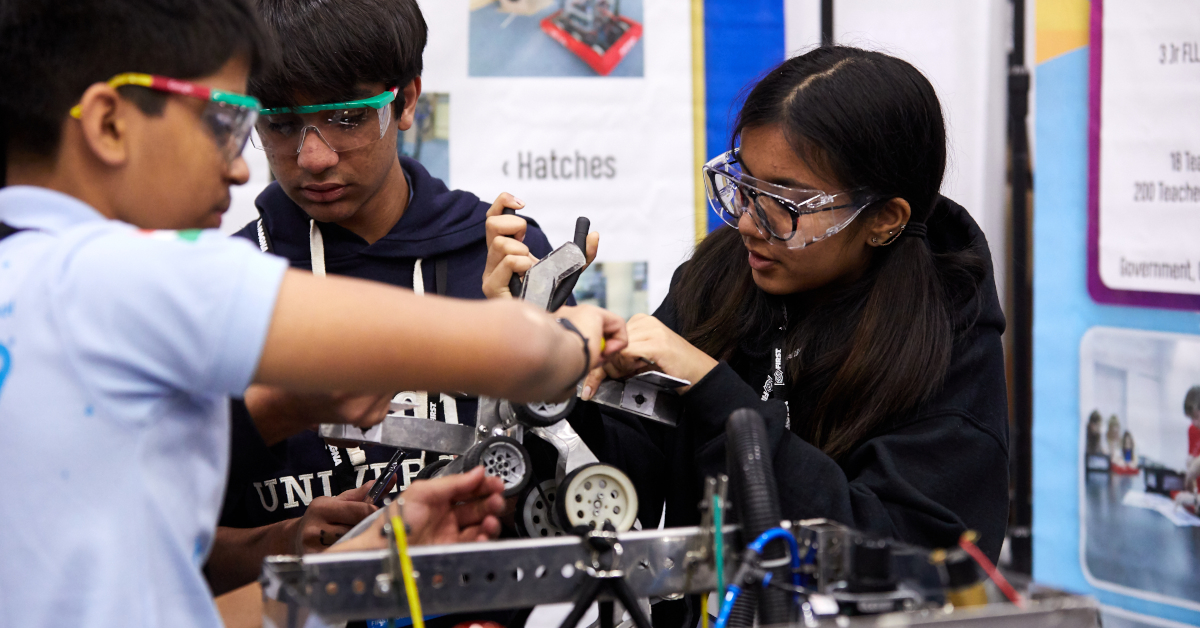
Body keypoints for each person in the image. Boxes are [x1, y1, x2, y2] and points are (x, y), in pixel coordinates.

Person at [0, 1, 625, 626]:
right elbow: (520, 350)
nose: (244, 164)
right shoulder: (144, 276)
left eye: (346, 117)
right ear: (109, 124)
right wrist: (570, 337)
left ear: (405, 102)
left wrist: (365, 559)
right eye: (226, 122)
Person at [487, 47, 1010, 563]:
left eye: (784, 203)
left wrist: (712, 388)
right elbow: (625, 486)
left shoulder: (946, 338)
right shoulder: (721, 277)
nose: (746, 224)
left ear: (885, 219)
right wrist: (547, 380)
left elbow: (898, 554)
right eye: (744, 187)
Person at [208, 0, 591, 595]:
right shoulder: (217, 286)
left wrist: (544, 361)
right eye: (280, 124)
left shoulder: (502, 255)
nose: (313, 157)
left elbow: (579, 492)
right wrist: (279, 542)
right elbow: (152, 546)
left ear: (406, 100)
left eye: (344, 118)